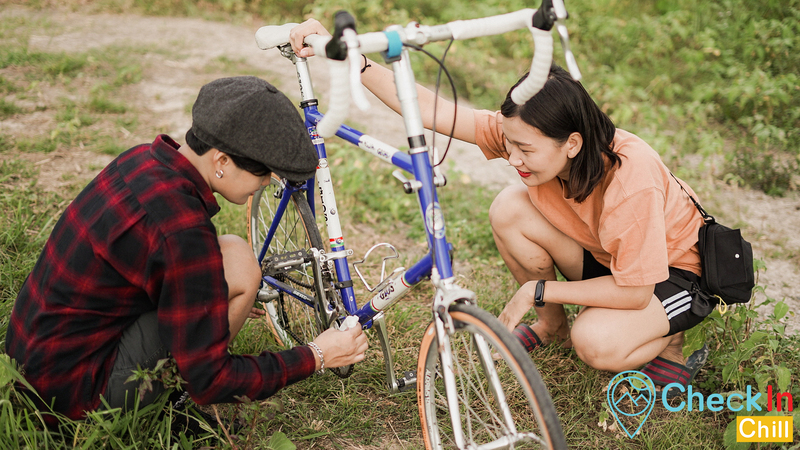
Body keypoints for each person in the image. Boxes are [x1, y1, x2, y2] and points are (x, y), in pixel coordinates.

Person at [288, 20, 709, 395]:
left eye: (525, 149)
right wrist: (352, 62)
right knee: (509, 207)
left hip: (671, 276)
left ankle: (671, 345)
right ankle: (551, 326)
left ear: (573, 143)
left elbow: (635, 291)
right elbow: (433, 110)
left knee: (597, 342)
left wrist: (537, 289)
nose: (513, 157)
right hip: (610, 257)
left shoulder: (630, 180)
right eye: (508, 144)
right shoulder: (526, 135)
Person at [5, 76, 368, 424]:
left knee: (235, 256)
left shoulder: (141, 161)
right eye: (263, 172)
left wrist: (204, 302)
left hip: (37, 361)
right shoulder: (182, 228)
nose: (266, 183)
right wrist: (317, 355)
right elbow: (211, 380)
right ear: (221, 161)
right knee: (240, 269)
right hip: (72, 400)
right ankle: (168, 405)